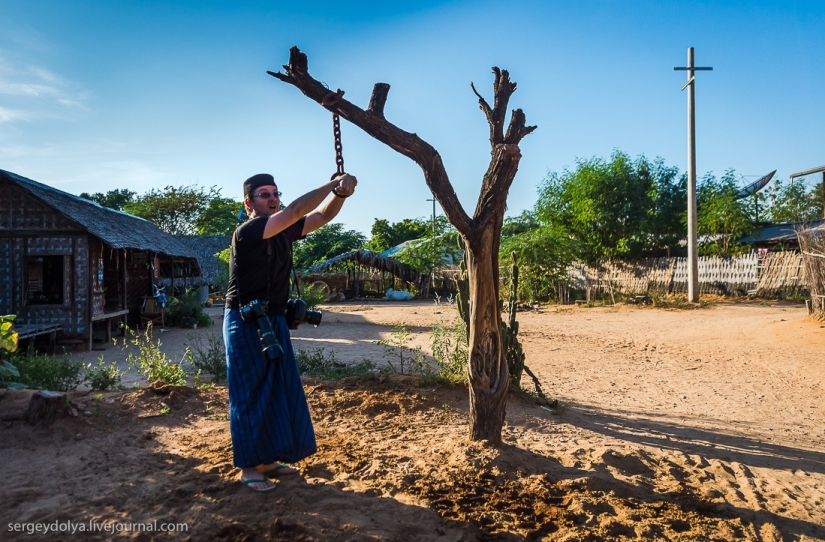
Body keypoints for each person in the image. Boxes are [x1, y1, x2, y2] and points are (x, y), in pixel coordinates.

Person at [223, 172, 357, 492]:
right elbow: (296, 210)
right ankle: (249, 468)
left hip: (273, 319)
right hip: (245, 320)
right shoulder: (248, 231)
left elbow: (321, 216)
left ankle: (267, 460)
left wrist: (340, 194)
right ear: (249, 203)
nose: (272, 198)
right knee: (250, 393)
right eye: (264, 194)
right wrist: (332, 183)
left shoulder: (283, 231)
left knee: (277, 389)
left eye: (275, 193)